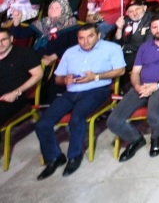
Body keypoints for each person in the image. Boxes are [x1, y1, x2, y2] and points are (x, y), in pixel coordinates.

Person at [35, 24, 125, 179]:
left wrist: (95, 76)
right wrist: (65, 79)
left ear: (98, 36)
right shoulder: (70, 52)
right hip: (71, 91)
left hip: (97, 89)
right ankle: (55, 157)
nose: (85, 41)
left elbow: (120, 70)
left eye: (89, 36)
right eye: (81, 38)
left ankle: (74, 156)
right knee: (42, 124)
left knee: (76, 119)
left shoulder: (111, 48)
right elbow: (58, 78)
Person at [107, 14, 159, 161]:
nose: (158, 30)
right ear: (150, 29)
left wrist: (157, 85)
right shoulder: (144, 47)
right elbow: (135, 72)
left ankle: (156, 137)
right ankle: (135, 139)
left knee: (154, 116)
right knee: (113, 121)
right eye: (155, 27)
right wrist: (137, 86)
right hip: (142, 86)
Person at [0, 26, 44, 125]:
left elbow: (38, 74)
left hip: (15, 98)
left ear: (11, 39)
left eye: (3, 40)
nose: (0, 44)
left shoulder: (25, 53)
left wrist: (16, 93)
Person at [113, 0, 153, 71]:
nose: (134, 13)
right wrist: (119, 29)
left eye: (137, 9)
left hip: (141, 54)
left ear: (144, 8)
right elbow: (117, 43)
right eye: (131, 11)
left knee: (118, 66)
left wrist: (125, 47)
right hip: (124, 53)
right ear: (127, 13)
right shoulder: (126, 20)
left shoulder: (152, 19)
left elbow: (147, 45)